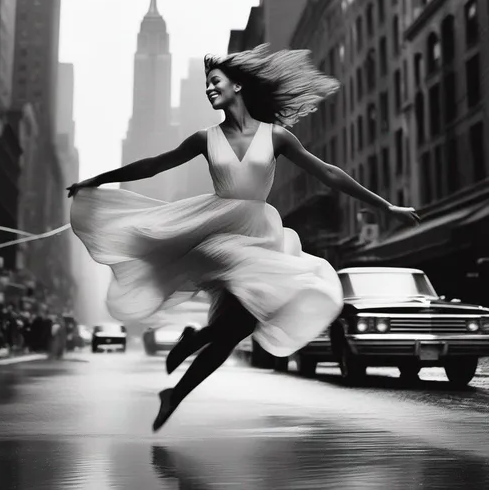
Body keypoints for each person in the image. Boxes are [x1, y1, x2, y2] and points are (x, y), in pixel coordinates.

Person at [67, 44, 419, 432]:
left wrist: (387, 207)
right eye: (205, 84)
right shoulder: (205, 138)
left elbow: (330, 174)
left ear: (237, 85)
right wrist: (96, 180)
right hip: (218, 233)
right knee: (236, 323)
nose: (208, 89)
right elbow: (155, 165)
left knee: (236, 330)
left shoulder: (277, 137)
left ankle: (179, 382)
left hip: (260, 235)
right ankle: (192, 344)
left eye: (214, 81)